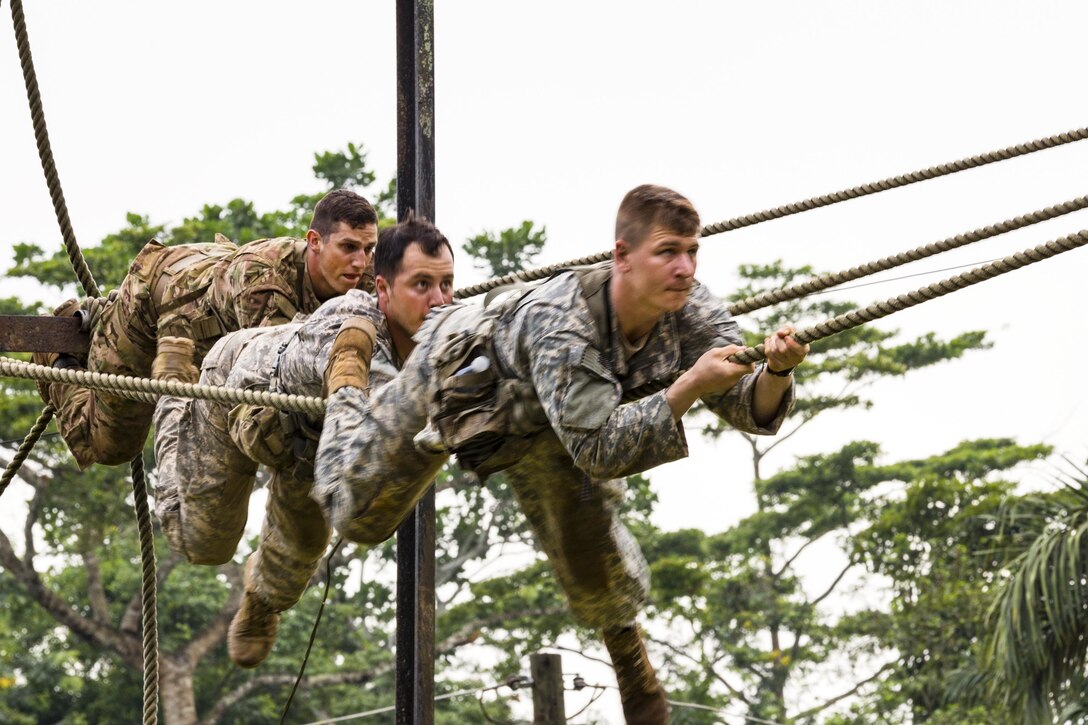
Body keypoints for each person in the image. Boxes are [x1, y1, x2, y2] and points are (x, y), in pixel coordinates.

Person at [312, 185, 810, 724]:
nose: (685, 267)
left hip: (549, 426)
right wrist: (687, 384)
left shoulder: (691, 308)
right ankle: (346, 385)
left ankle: (628, 654)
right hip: (457, 373)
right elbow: (601, 446)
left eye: (693, 251)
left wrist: (777, 372)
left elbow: (746, 406)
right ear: (622, 256)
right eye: (668, 252)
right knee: (357, 513)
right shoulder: (562, 318)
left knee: (582, 519)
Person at [151, 215, 455, 668]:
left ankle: (261, 603)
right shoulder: (351, 334)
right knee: (204, 543)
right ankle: (175, 386)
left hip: (307, 437)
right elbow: (345, 470)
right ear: (384, 291)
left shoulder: (443, 332)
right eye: (422, 284)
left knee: (303, 550)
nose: (439, 300)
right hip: (239, 392)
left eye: (447, 284)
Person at [33, 189, 379, 469]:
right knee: (111, 446)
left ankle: (104, 329)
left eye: (368, 249)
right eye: (348, 247)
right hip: (154, 306)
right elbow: (275, 381)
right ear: (315, 241)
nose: (360, 261)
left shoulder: (364, 275)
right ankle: (60, 358)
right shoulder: (265, 284)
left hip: (210, 313)